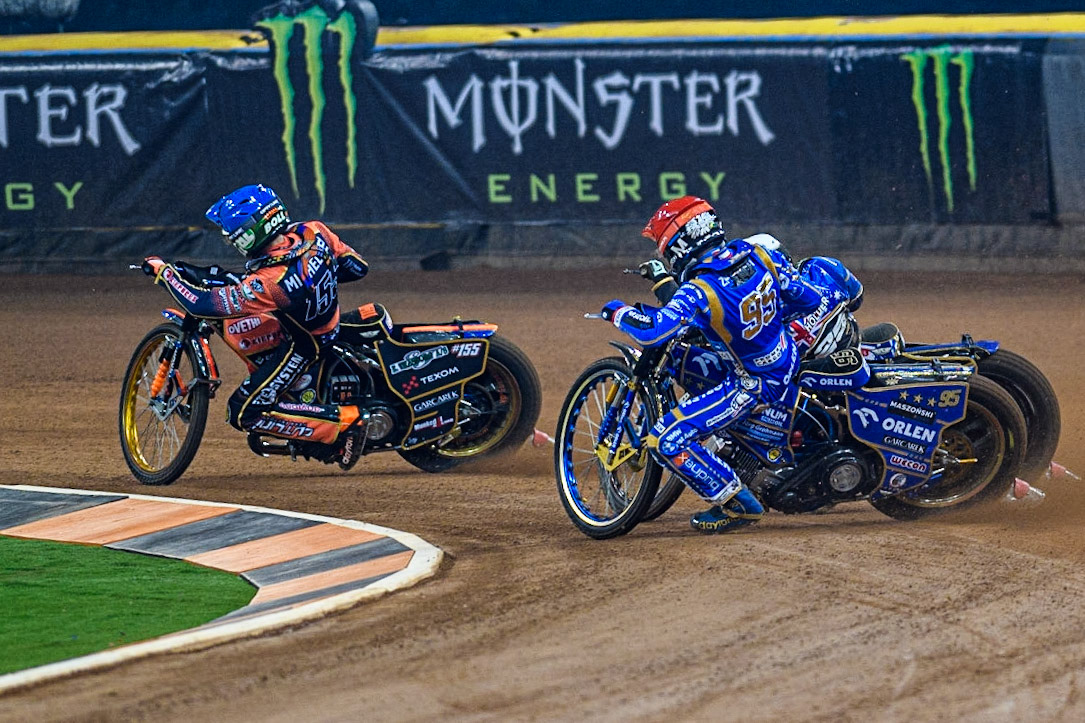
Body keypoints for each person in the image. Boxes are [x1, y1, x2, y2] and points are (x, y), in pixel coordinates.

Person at [601, 196, 829, 533]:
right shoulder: (759, 253)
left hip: (752, 384)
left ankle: (739, 505)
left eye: (664, 247)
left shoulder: (699, 290)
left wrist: (616, 311)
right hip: (789, 358)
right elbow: (807, 298)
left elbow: (652, 333)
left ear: (678, 246)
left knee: (665, 439)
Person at [143, 184, 370, 467]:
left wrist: (165, 275)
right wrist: (311, 284)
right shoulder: (312, 231)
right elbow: (356, 267)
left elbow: (202, 305)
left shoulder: (272, 282)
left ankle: (343, 424)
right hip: (329, 322)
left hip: (304, 345)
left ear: (252, 232)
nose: (230, 241)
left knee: (243, 412)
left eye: (232, 235)